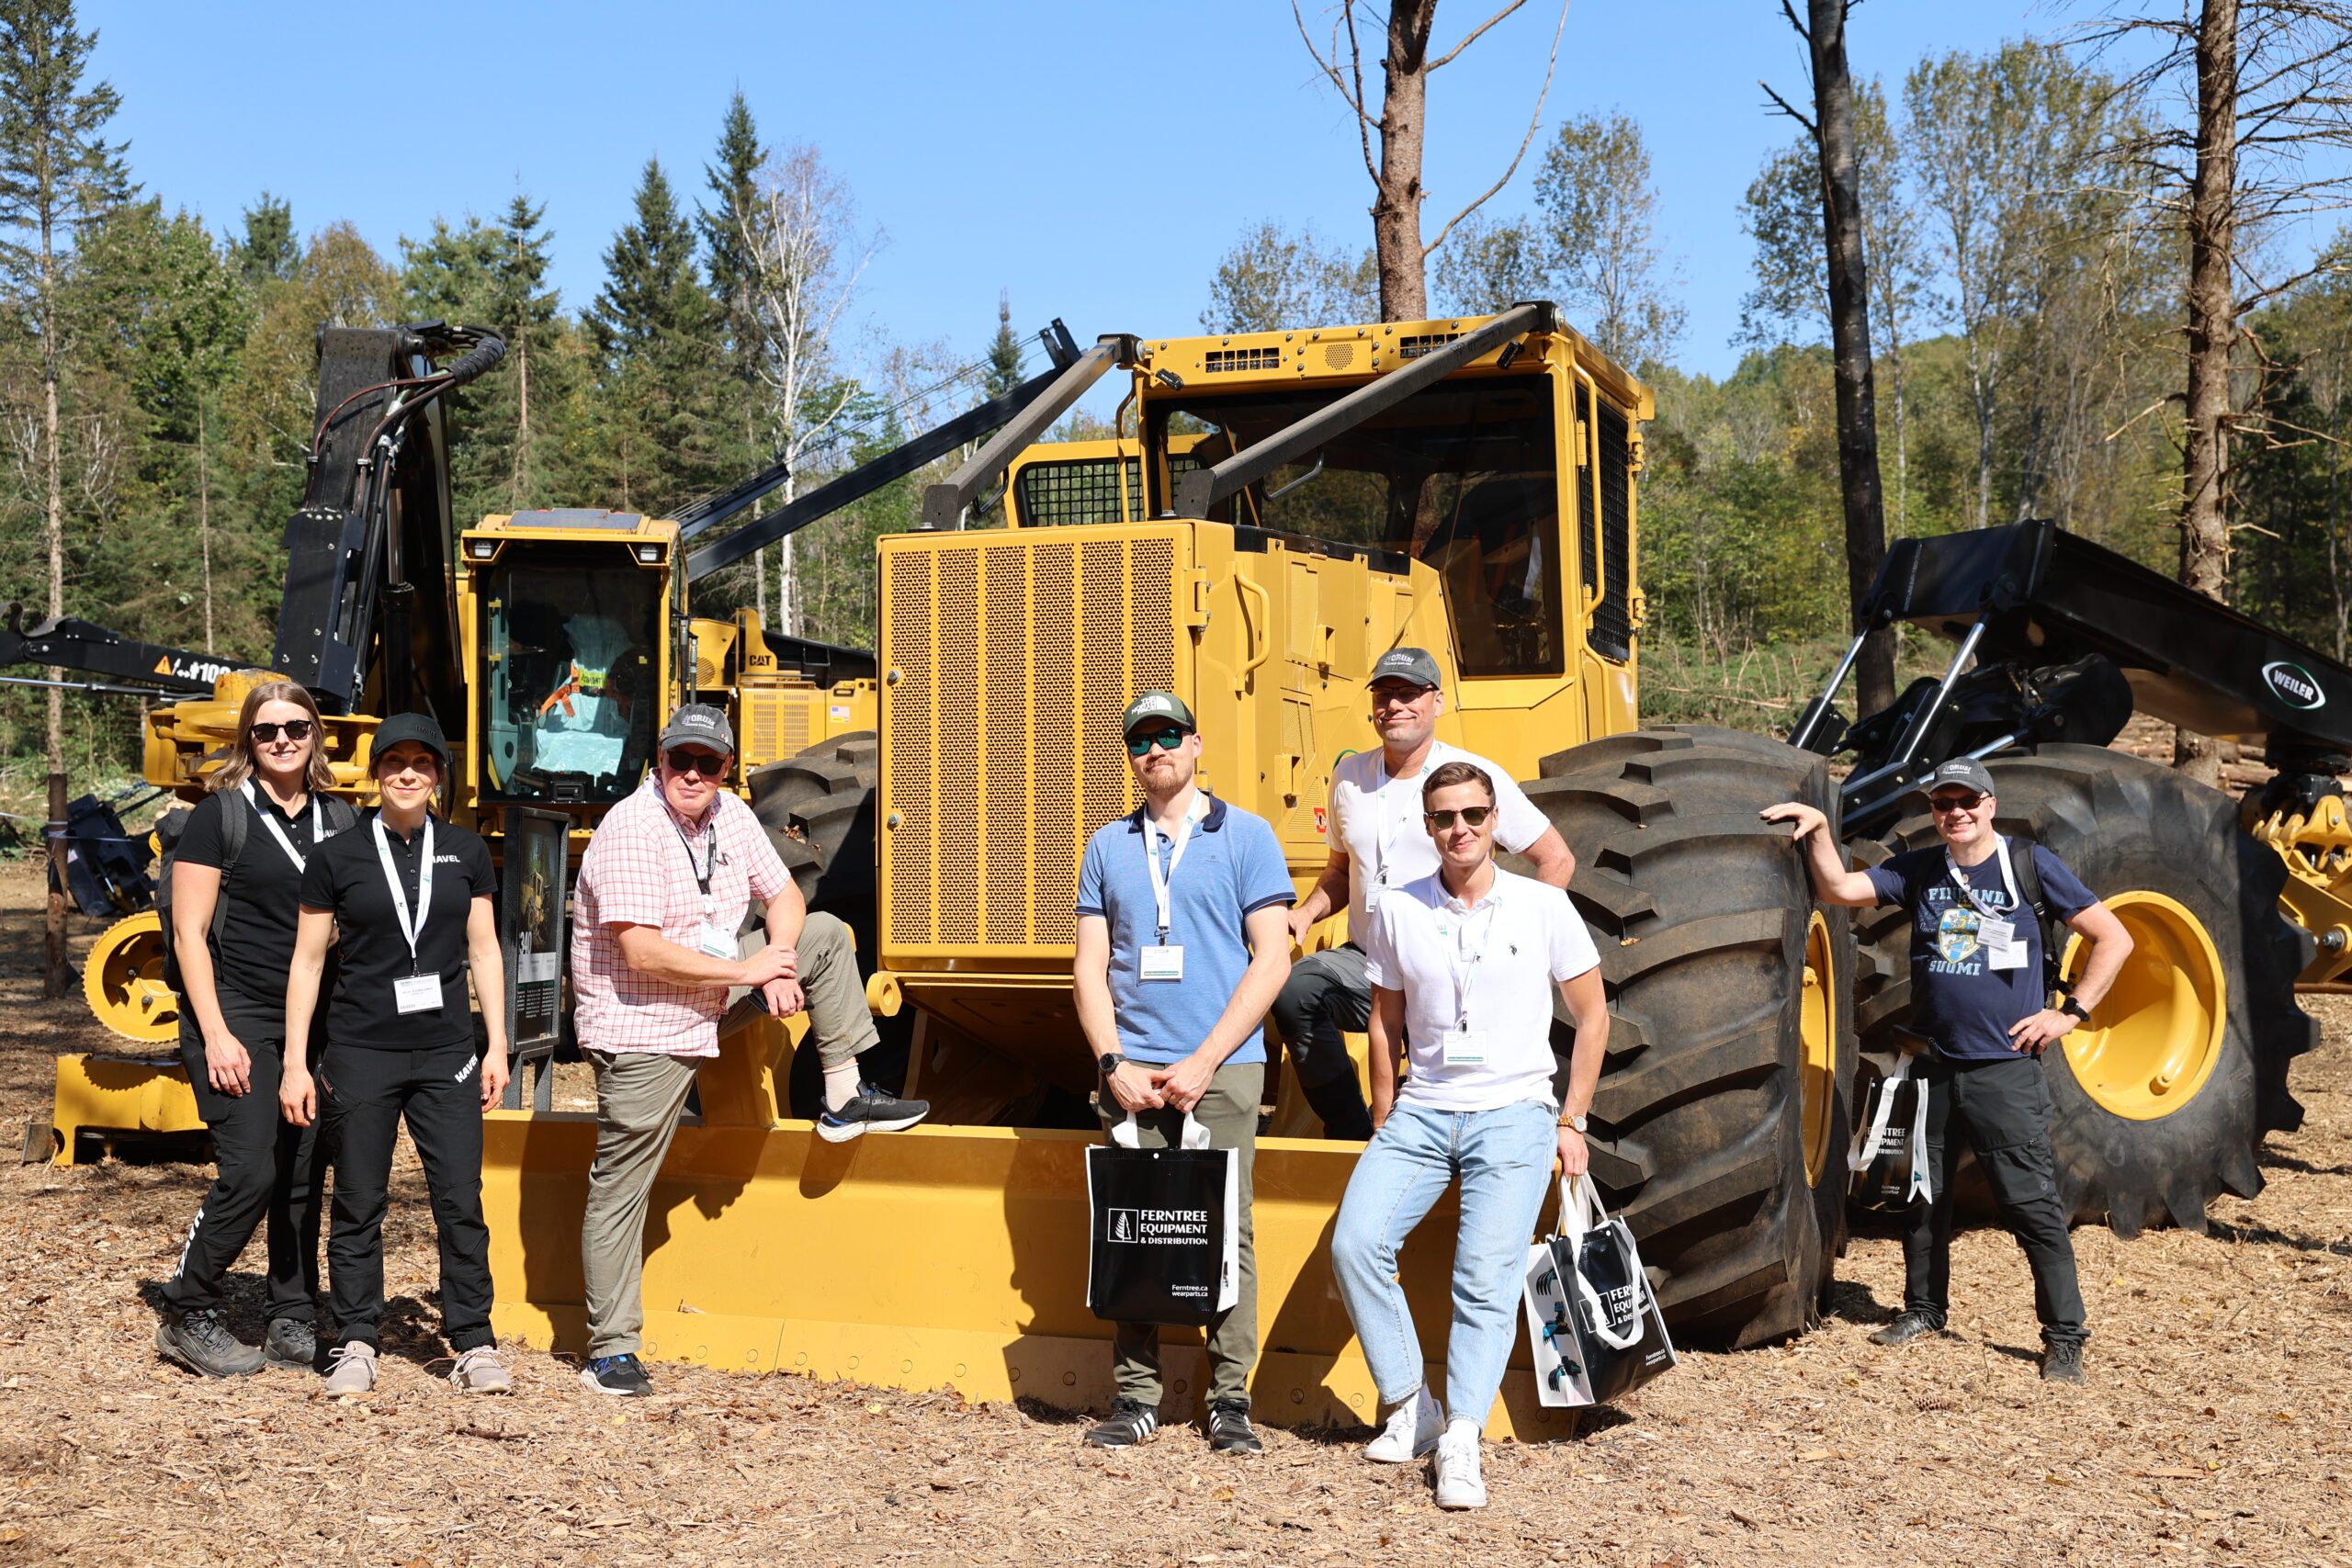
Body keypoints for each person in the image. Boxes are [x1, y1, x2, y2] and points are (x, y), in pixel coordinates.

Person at [569, 703, 925, 1398]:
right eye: (682, 760)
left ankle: (844, 1092)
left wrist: (782, 958)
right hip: (644, 1024)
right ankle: (611, 1350)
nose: (694, 774)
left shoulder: (729, 816)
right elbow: (641, 950)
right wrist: (749, 972)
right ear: (659, 760)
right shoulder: (631, 828)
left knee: (822, 932)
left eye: (709, 762)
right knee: (622, 1188)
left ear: (727, 767)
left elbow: (786, 893)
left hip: (708, 1000)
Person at [1764, 757, 2133, 1384]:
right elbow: (1839, 890)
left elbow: (2114, 937)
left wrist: (2069, 1013)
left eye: (1967, 801)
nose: (1955, 812)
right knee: (1924, 1195)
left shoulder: (2029, 865)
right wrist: (1821, 828)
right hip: (1933, 1065)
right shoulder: (1922, 868)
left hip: (2003, 1070)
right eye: (1943, 803)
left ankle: (2064, 1336)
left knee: (2029, 1204)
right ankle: (1924, 1309)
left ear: (1990, 804)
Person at [1332, 760, 1609, 1510]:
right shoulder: (1395, 908)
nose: (1460, 829)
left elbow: (1593, 1017)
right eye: (1445, 817)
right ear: (1427, 827)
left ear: (1496, 822)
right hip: (1422, 1109)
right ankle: (1409, 1403)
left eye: (1475, 815)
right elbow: (1384, 1021)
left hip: (1514, 1112)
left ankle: (1461, 1437)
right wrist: (1384, 1115)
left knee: (1483, 1280)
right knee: (1355, 1243)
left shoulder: (1542, 906)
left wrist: (1571, 1116)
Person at [1073, 691, 1295, 1455]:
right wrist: (1112, 1062)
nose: (1154, 749)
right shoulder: (1106, 846)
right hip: (1131, 1073)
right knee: (1130, 1226)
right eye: (1140, 740)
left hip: (1223, 1071)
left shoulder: (1249, 836)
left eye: (1169, 735)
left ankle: (1229, 1399)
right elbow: (1090, 964)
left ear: (1197, 744)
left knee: (1225, 1233)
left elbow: (1273, 957)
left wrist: (1205, 1060)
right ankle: (1136, 1397)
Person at [281, 714, 514, 1398]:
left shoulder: (467, 851)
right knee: (357, 1202)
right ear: (375, 772)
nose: (407, 773)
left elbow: (484, 952)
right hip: (360, 1052)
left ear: (438, 774)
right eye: (394, 762)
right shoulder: (337, 857)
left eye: (421, 762)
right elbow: (306, 962)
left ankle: (472, 1340)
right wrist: (297, 1061)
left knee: (460, 1201)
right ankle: (357, 1339)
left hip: (446, 1052)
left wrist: (496, 1043)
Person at [1275, 647, 1575, 1138]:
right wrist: (1306, 912)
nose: (1395, 706)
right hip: (1369, 960)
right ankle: (1355, 1132)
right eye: (1385, 694)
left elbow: (1556, 858)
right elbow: (1341, 870)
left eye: (1409, 694)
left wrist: (1522, 940)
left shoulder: (1472, 776)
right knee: (1295, 988)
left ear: (1437, 702)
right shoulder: (1348, 777)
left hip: (1452, 964)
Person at [154, 681, 356, 1379]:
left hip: (313, 1017)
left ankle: (292, 1317)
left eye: (295, 727)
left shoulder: (339, 819)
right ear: (248, 737)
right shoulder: (222, 815)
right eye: (266, 728)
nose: (281, 739)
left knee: (302, 1169)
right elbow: (188, 932)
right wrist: (214, 1032)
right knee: (250, 1168)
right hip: (233, 1009)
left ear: (316, 734)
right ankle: (189, 1309)